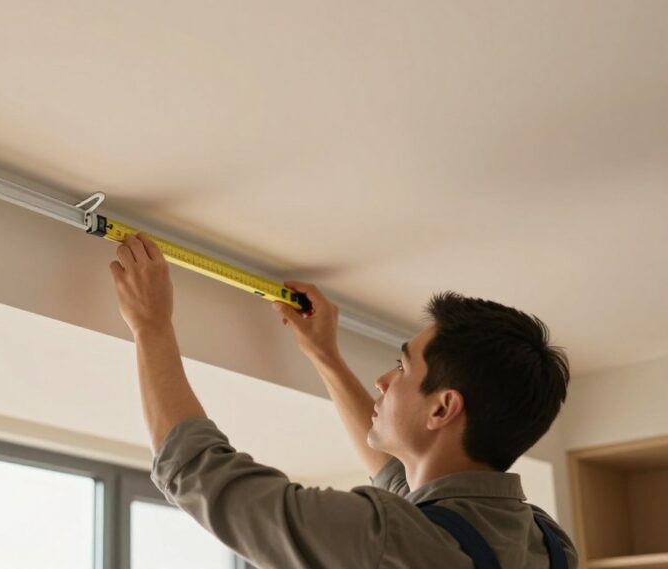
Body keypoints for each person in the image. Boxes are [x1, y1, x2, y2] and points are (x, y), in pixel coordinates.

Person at [109, 233, 577, 569]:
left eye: (403, 367)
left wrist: (151, 327)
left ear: (442, 408)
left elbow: (198, 473)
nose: (383, 381)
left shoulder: (385, 539)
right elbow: (408, 492)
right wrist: (325, 357)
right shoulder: (547, 545)